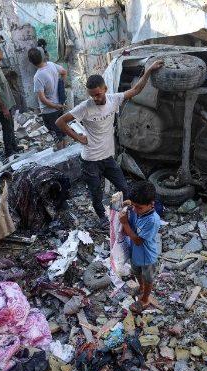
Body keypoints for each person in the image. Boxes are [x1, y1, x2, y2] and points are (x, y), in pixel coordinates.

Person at [55, 60, 164, 227]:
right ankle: (102, 218)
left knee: (124, 188)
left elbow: (136, 90)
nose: (95, 98)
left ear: (105, 89)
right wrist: (78, 138)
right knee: (96, 193)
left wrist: (148, 71)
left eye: (98, 94)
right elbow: (60, 122)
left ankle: (125, 213)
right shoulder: (85, 107)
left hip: (107, 158)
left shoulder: (114, 99)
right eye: (92, 95)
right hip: (90, 160)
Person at [120, 181, 161, 314]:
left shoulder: (152, 220)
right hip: (135, 253)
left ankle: (145, 299)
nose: (135, 209)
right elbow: (132, 205)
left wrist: (125, 223)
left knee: (148, 278)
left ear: (151, 204)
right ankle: (141, 288)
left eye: (139, 207)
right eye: (134, 205)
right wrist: (129, 204)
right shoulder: (136, 209)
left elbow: (138, 241)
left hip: (147, 257)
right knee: (137, 272)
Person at [28, 47, 67, 148]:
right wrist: (61, 88)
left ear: (31, 62)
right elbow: (64, 72)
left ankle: (61, 155)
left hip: (49, 111)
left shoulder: (38, 76)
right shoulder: (51, 65)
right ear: (42, 56)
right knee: (63, 132)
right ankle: (66, 152)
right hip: (59, 105)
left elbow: (42, 99)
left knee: (56, 135)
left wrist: (54, 106)